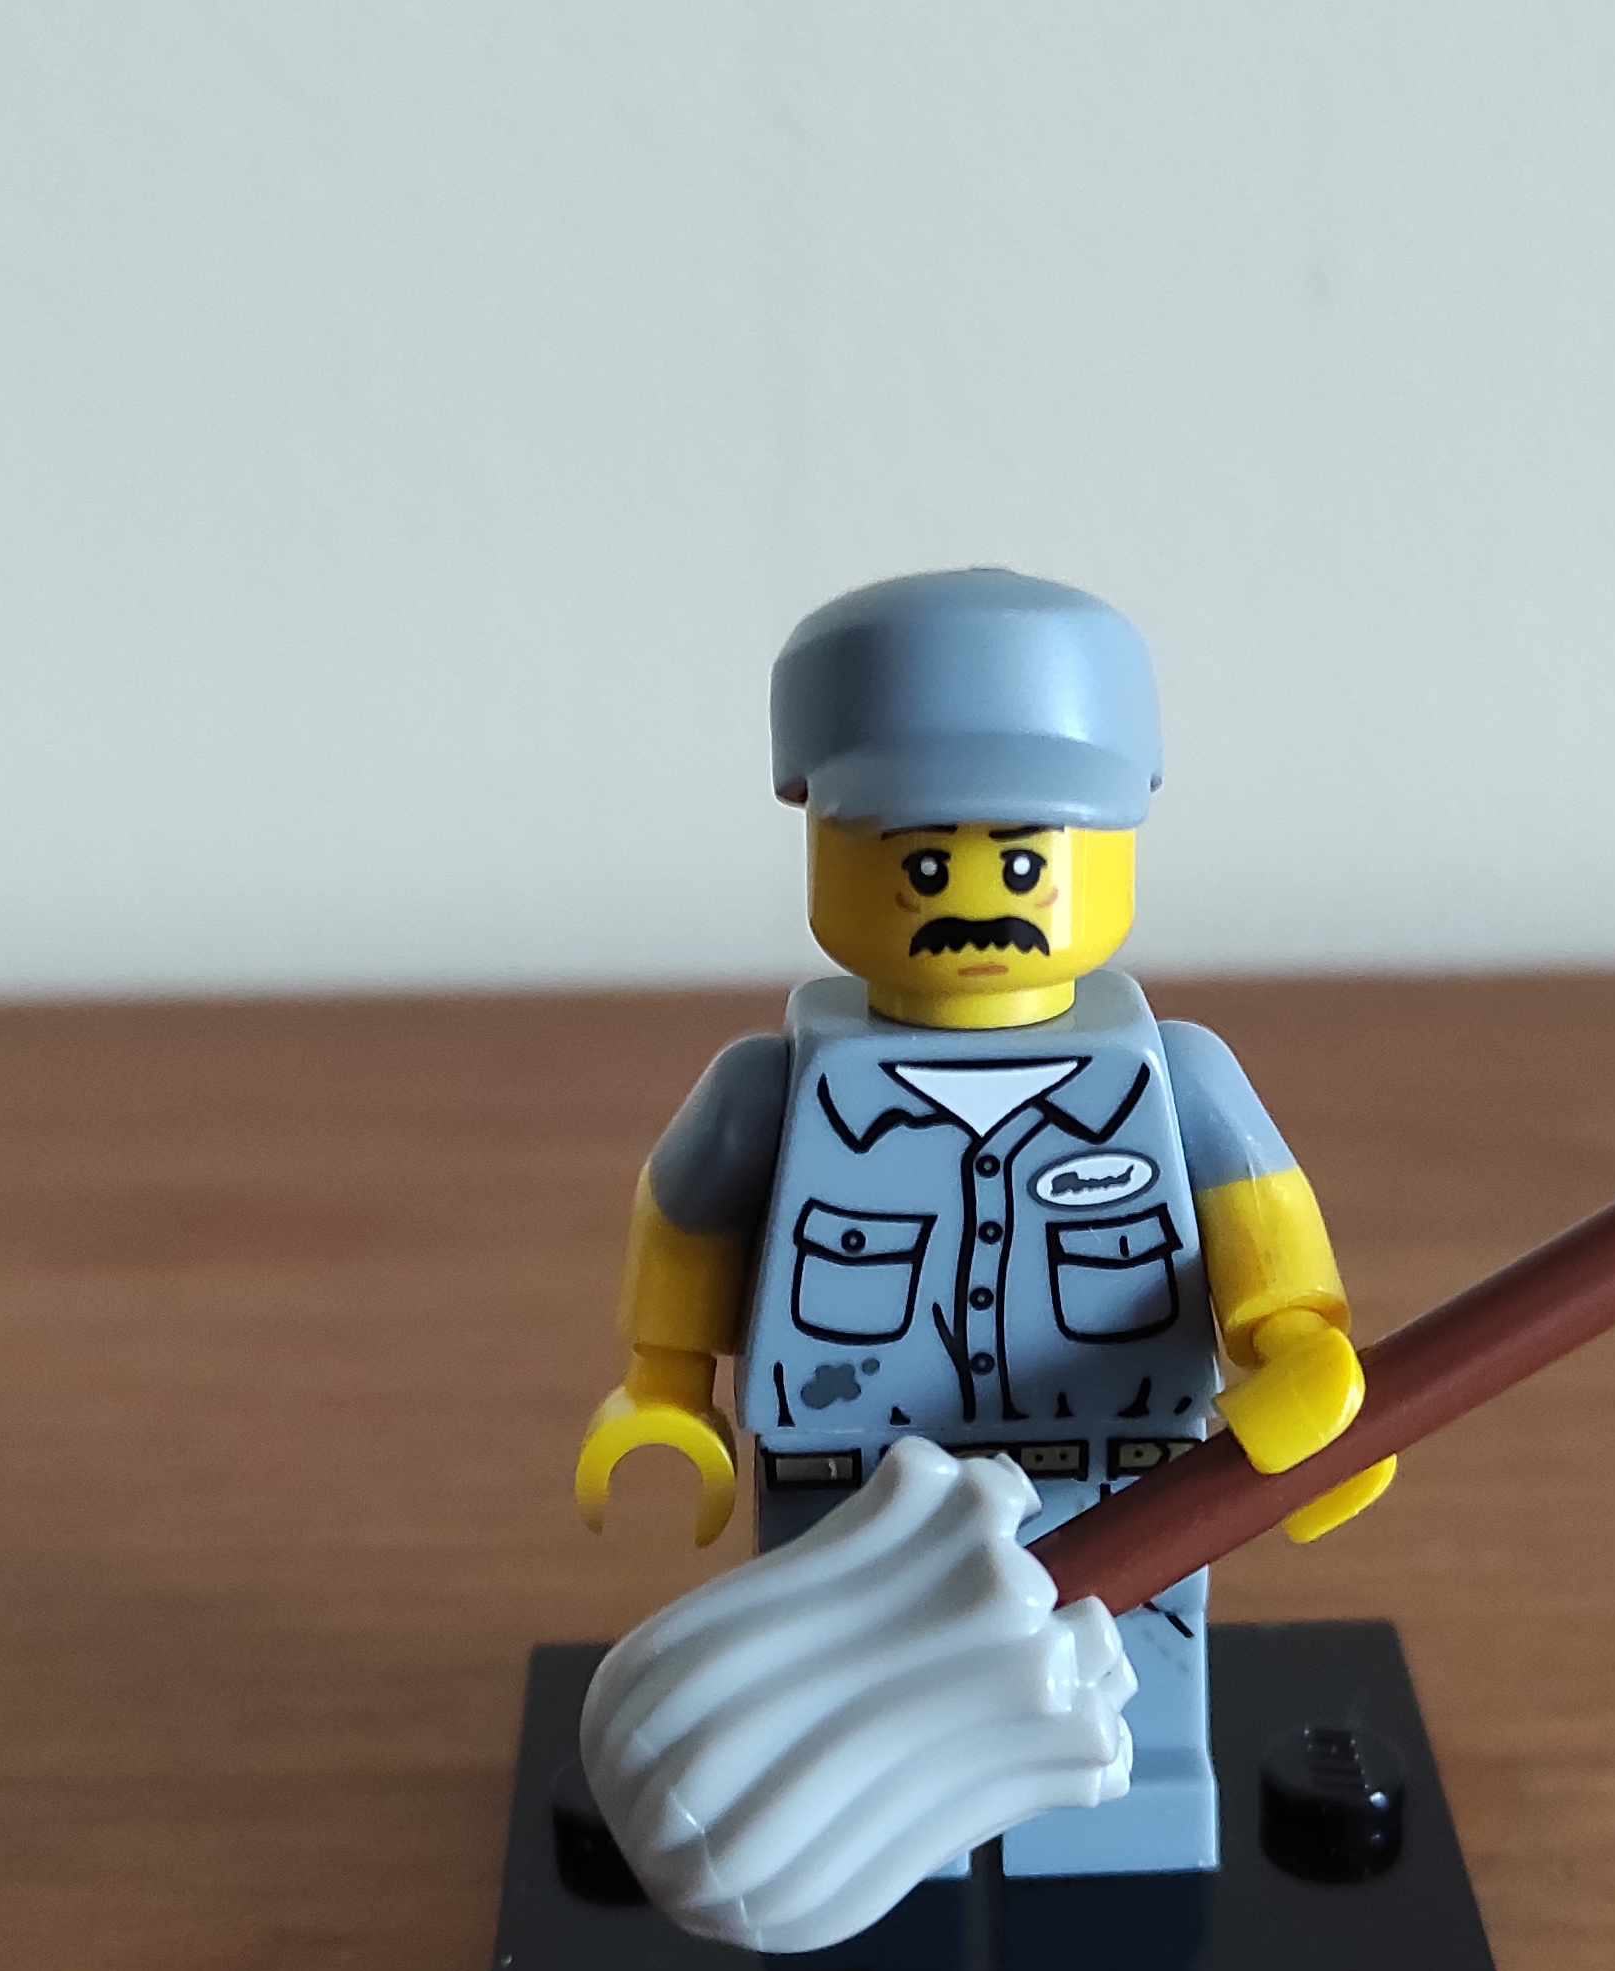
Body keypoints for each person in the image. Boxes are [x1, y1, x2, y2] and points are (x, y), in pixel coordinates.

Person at [574, 567, 1388, 1875]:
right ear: (821, 833)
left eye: (1022, 860)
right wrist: (666, 1389)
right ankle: (893, 1864)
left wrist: (1295, 1353)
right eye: (921, 861)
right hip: (855, 1499)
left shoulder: (1173, 1079)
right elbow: (685, 1213)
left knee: (1120, 1718)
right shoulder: (778, 1088)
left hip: (1120, 1473)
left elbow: (1269, 1242)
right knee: (860, 1742)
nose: (976, 902)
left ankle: (1120, 1837)